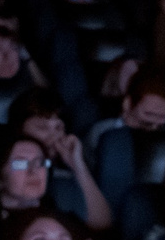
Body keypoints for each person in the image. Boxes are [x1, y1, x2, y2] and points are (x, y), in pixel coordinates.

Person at [9, 89, 114, 231]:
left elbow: (102, 223)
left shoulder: (66, 177)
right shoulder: (1, 165)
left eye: (58, 128)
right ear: (20, 129)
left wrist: (78, 165)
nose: (54, 136)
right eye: (42, 127)